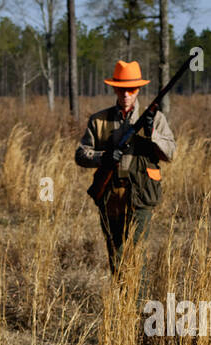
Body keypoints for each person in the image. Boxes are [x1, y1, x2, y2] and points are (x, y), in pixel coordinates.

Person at [75, 59, 176, 274]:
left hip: (141, 194)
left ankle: (140, 306)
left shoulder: (155, 119)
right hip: (110, 195)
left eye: (131, 89)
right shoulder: (99, 120)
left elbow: (170, 153)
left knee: (137, 252)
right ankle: (123, 302)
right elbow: (81, 154)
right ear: (114, 88)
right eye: (121, 89)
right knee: (116, 252)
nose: (126, 94)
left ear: (138, 89)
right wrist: (104, 157)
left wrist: (152, 134)